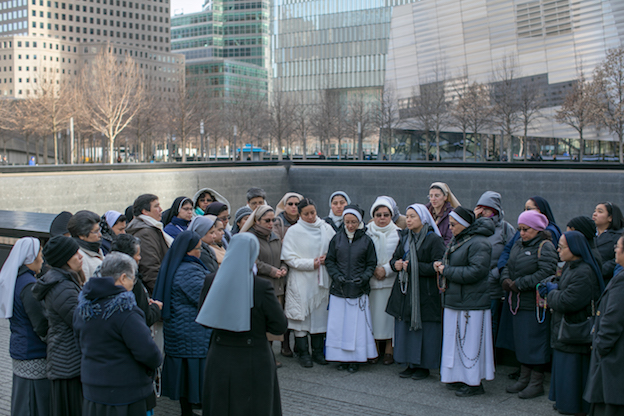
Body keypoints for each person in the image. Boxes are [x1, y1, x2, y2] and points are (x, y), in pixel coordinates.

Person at [198, 233, 287, 416]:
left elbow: (205, 319)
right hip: (254, 356)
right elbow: (279, 325)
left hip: (220, 355)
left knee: (220, 407)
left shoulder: (211, 281)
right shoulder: (261, 286)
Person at [73, 253, 162, 416]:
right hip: (125, 396)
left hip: (92, 391)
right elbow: (149, 353)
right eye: (132, 279)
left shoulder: (83, 307)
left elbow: (80, 345)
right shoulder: (125, 311)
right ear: (122, 278)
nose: (132, 284)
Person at [541, 231, 604, 415]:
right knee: (564, 368)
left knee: (573, 371)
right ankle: (564, 401)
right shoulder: (571, 266)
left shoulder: (584, 271)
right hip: (565, 328)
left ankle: (572, 405)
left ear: (575, 248)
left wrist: (552, 292)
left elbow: (568, 301)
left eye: (562, 246)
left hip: (574, 330)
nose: (558, 249)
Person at [434, 207, 495, 397]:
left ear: (464, 224)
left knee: (470, 344)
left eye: (453, 225)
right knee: (456, 341)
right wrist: (441, 265)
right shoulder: (461, 239)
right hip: (457, 298)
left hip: (472, 301)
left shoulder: (479, 243)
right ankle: (459, 377)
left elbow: (476, 272)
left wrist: (446, 271)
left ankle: (473, 382)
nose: (450, 228)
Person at [498, 210, 558, 399]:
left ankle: (536, 382)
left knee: (536, 342)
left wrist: (520, 284)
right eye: (520, 229)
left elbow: (546, 272)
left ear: (537, 229)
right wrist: (506, 279)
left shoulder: (545, 246)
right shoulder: (518, 243)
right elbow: (508, 263)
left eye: (526, 229)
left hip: (534, 304)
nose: (522, 233)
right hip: (517, 301)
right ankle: (524, 377)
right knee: (522, 342)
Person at [153, 231, 211, 416]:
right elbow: (203, 297)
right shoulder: (189, 270)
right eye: (198, 249)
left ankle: (187, 411)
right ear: (188, 251)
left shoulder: (175, 265)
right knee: (193, 376)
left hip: (180, 330)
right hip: (193, 332)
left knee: (185, 377)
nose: (199, 252)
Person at [386, 204, 446, 379]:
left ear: (423, 218)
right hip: (405, 291)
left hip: (424, 293)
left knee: (425, 330)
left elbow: (437, 265)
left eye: (413, 216)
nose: (409, 220)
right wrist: (395, 264)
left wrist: (412, 267)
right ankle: (409, 362)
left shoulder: (433, 239)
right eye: (408, 216)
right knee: (406, 328)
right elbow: (395, 258)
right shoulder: (405, 237)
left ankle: (423, 366)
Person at [32, 236, 85, 416]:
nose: (80, 256)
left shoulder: (63, 282)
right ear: (65, 260)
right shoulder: (63, 288)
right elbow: (80, 322)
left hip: (66, 361)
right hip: (69, 363)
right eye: (75, 253)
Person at [281, 198, 336, 368]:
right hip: (301, 278)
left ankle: (318, 352)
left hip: (321, 279)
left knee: (319, 316)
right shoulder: (293, 231)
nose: (311, 216)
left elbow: (336, 249)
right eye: (306, 214)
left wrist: (328, 258)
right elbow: (289, 257)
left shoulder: (326, 229)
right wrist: (311, 263)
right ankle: (303, 353)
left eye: (313, 212)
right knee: (301, 318)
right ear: (300, 214)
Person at [325, 205, 378, 373]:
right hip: (339, 289)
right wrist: (336, 275)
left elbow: (371, 264)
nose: (350, 225)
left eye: (353, 222)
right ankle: (340, 357)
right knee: (339, 325)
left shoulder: (367, 240)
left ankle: (355, 358)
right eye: (347, 222)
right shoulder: (336, 239)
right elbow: (330, 261)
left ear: (359, 222)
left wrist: (363, 278)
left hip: (358, 289)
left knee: (356, 327)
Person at [0, 237, 49, 416]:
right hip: (33, 352)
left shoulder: (16, 280)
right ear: (30, 257)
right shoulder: (29, 286)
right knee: (34, 404)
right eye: (40, 255)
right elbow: (41, 324)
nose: (42, 259)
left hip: (20, 348)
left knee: (22, 401)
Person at [240, 205, 289, 362]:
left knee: (273, 321)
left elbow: (283, 257)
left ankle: (269, 354)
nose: (270, 223)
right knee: (261, 323)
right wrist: (271, 270)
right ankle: (263, 355)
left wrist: (283, 267)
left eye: (273, 220)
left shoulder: (274, 237)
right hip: (260, 285)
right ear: (256, 221)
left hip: (277, 285)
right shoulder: (250, 238)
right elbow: (253, 261)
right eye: (267, 220)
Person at [584, 232, 624, 416]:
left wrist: (600, 345)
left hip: (614, 356)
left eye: (618, 247)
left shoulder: (621, 281)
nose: (615, 250)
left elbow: (612, 318)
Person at [92, 234, 163, 327]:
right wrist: (156, 308)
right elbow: (144, 317)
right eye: (137, 255)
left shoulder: (99, 272)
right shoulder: (130, 281)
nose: (139, 258)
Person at [474, 191, 516, 342]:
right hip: (475, 282)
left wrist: (496, 274)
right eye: (480, 208)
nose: (483, 212)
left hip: (493, 284)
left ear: (495, 210)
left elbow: (511, 254)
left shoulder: (505, 229)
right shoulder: (474, 226)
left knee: (491, 320)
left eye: (487, 209)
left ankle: (490, 355)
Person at [365, 197, 401, 365]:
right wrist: (373, 269)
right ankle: (374, 349)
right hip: (371, 280)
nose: (382, 218)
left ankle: (389, 349)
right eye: (378, 214)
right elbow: (361, 254)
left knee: (388, 317)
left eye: (386, 214)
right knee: (372, 316)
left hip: (390, 280)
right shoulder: (365, 232)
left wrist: (386, 269)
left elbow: (400, 256)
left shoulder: (399, 233)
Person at [126, 194, 172, 294]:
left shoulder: (152, 228)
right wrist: (162, 294)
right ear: (145, 211)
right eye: (156, 206)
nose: (161, 209)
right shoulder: (145, 233)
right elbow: (150, 268)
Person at [67, 210, 105, 280]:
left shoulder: (95, 249)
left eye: (99, 230)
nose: (100, 235)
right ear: (81, 235)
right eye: (96, 232)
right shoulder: (80, 257)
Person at [592, 201, 623, 284]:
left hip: (606, 281)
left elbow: (617, 260)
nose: (595, 214)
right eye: (595, 211)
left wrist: (601, 270)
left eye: (600, 211)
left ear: (610, 218)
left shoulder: (618, 236)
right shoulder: (590, 235)